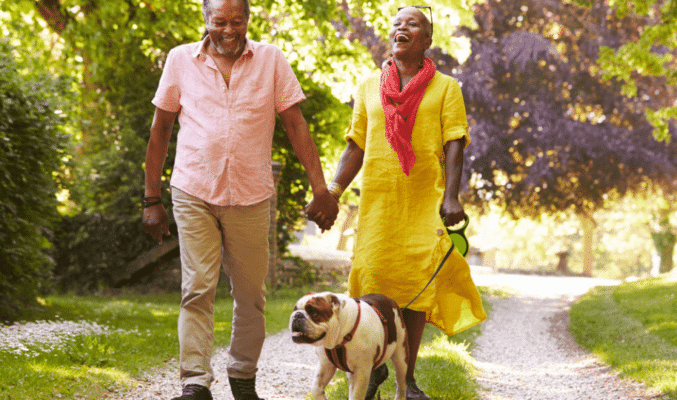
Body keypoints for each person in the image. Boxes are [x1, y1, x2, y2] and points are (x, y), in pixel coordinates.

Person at [142, 0, 339, 399]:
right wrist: (151, 198)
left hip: (251, 194)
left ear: (248, 20)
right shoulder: (181, 60)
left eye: (237, 21)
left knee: (251, 294)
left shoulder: (271, 60)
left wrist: (321, 188)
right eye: (219, 22)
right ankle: (195, 382)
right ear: (206, 21)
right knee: (197, 288)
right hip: (193, 189)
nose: (229, 30)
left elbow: (296, 125)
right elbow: (161, 127)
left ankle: (243, 376)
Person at [307, 6, 486, 400]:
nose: (402, 28)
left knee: (414, 290)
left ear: (427, 40)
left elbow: (454, 143)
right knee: (371, 282)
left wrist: (452, 196)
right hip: (378, 203)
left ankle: (409, 377)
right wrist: (333, 190)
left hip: (423, 201)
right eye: (397, 23)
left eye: (414, 24)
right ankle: (373, 369)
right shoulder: (369, 85)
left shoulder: (446, 88)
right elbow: (356, 143)